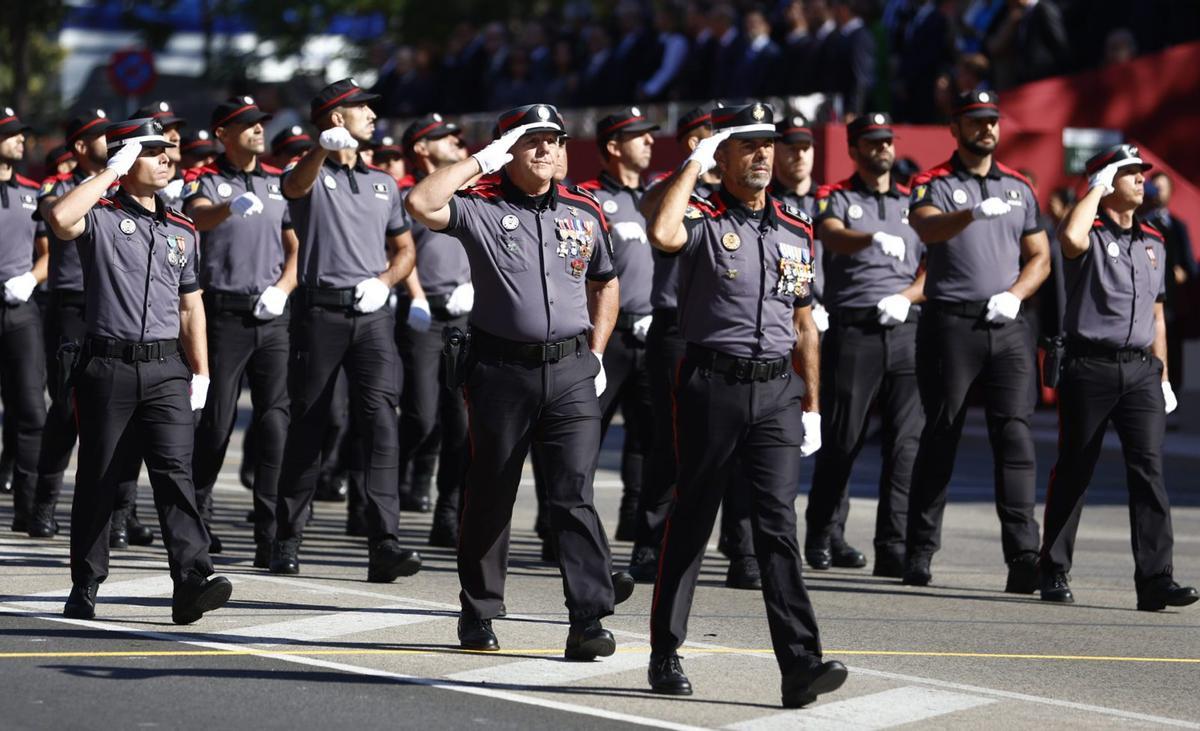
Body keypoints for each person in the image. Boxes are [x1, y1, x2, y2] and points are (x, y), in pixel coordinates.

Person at [406, 103, 635, 658]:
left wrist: (598, 352)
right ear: (508, 151)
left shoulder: (584, 208)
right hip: (501, 371)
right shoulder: (480, 205)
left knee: (573, 492)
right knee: (491, 491)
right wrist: (479, 161)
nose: (547, 150)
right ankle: (479, 608)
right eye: (532, 141)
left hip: (573, 369)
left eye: (554, 140)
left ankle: (587, 619)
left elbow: (606, 283)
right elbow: (421, 202)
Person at [645, 101, 845, 706]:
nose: (763, 155)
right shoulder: (702, 215)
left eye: (769, 145)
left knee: (776, 527)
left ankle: (800, 664)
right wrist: (692, 164)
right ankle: (665, 649)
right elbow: (662, 231)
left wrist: (811, 404)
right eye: (748, 145)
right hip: (714, 384)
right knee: (694, 517)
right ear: (723, 156)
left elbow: (805, 322)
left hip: (777, 390)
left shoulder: (795, 224)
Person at [44, 117, 231, 623]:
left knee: (175, 474)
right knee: (101, 477)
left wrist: (202, 371)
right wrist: (108, 174)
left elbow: (191, 306)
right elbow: (61, 219)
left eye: (169, 149)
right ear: (126, 161)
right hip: (107, 365)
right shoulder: (100, 213)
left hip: (167, 368)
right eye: (153, 152)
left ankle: (191, 579)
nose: (168, 157)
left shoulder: (182, 228)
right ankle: (85, 581)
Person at [268, 78, 422, 584]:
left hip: (372, 314)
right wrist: (319, 149)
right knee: (311, 422)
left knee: (381, 421)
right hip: (321, 314)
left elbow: (404, 251)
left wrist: (385, 282)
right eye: (362, 111)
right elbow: (293, 188)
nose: (373, 118)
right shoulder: (310, 172)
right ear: (337, 119)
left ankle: (385, 543)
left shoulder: (383, 182)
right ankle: (287, 535)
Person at [1039, 143, 1197, 612]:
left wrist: (1163, 373)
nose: (1140, 179)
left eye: (1140, 172)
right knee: (1076, 467)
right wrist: (1095, 188)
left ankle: (1155, 580)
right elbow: (1069, 237)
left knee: (1148, 472)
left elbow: (1159, 314)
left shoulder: (1154, 239)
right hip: (1090, 366)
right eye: (1129, 173)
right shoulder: (1087, 230)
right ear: (1106, 183)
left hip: (1141, 370)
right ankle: (1054, 567)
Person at [902, 90, 1049, 590]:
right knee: (942, 433)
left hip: (1006, 323)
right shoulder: (933, 183)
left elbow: (1040, 257)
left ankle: (1024, 557)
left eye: (992, 121)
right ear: (956, 128)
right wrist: (970, 214)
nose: (987, 129)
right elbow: (927, 228)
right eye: (976, 121)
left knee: (1015, 436)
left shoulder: (1019, 186)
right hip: (951, 324)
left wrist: (1015, 294)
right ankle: (919, 550)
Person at [637, 103, 761, 591]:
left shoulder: (738, 197)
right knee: (669, 443)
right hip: (679, 329)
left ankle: (743, 550)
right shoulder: (684, 194)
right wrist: (693, 167)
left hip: (734, 330)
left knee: (742, 448)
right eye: (712, 136)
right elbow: (652, 210)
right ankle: (650, 543)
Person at [805, 113, 926, 579]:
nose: (883, 149)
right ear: (854, 149)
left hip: (904, 325)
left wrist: (907, 296)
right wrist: (871, 237)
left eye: (887, 141)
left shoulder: (914, 201)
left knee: (905, 445)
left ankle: (892, 545)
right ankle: (821, 532)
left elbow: (936, 263)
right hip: (854, 329)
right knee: (844, 438)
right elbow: (829, 233)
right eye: (872, 142)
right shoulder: (834, 196)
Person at [30, 109, 152, 544]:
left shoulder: (131, 186)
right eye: (101, 136)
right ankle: (42, 503)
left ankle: (122, 513)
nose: (112, 141)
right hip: (73, 307)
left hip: (119, 310)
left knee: (131, 414)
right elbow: (54, 213)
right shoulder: (61, 186)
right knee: (65, 408)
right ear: (81, 147)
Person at [185, 96, 298, 566]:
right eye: (246, 125)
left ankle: (270, 536)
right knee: (216, 423)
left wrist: (283, 288)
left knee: (274, 425)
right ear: (222, 135)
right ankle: (198, 513)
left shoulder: (277, 183)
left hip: (272, 316)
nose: (257, 130)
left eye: (259, 124)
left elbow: (296, 248)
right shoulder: (204, 179)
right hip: (224, 314)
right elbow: (197, 215)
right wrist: (228, 207)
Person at [577, 107, 658, 542]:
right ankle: (563, 525)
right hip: (605, 334)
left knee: (648, 438)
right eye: (638, 136)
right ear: (613, 146)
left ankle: (634, 522)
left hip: (650, 332)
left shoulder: (654, 195)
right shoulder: (589, 197)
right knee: (587, 433)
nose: (649, 142)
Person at [394, 113, 472, 546]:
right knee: (421, 416)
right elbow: (402, 251)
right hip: (423, 314)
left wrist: (473, 286)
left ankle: (448, 513)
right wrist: (419, 296)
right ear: (422, 148)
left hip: (463, 315)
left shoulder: (468, 196)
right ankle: (391, 486)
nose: (452, 142)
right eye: (441, 138)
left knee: (458, 422)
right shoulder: (408, 196)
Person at [0, 106, 48, 534]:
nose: (20, 139)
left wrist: (30, 279)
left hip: (20, 310)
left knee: (32, 410)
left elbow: (48, 255)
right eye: (11, 133)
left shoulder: (34, 191)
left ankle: (28, 509)